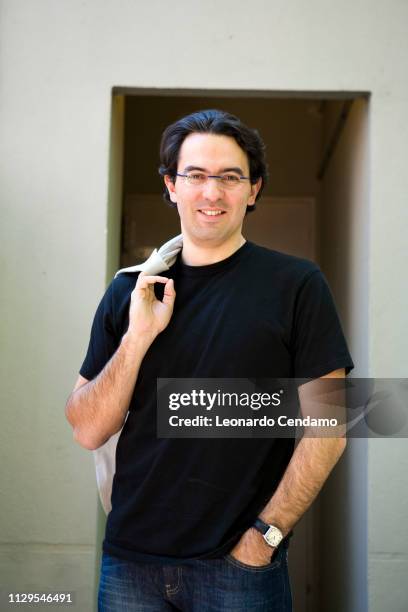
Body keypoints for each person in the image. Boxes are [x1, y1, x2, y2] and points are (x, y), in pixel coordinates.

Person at [65, 109, 354, 611]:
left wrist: (265, 538)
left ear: (254, 189)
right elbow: (88, 429)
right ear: (171, 186)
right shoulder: (129, 290)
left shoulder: (296, 286)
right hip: (130, 565)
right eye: (195, 176)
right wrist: (138, 336)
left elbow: (330, 423)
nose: (212, 193)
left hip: (238, 570)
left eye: (229, 177)